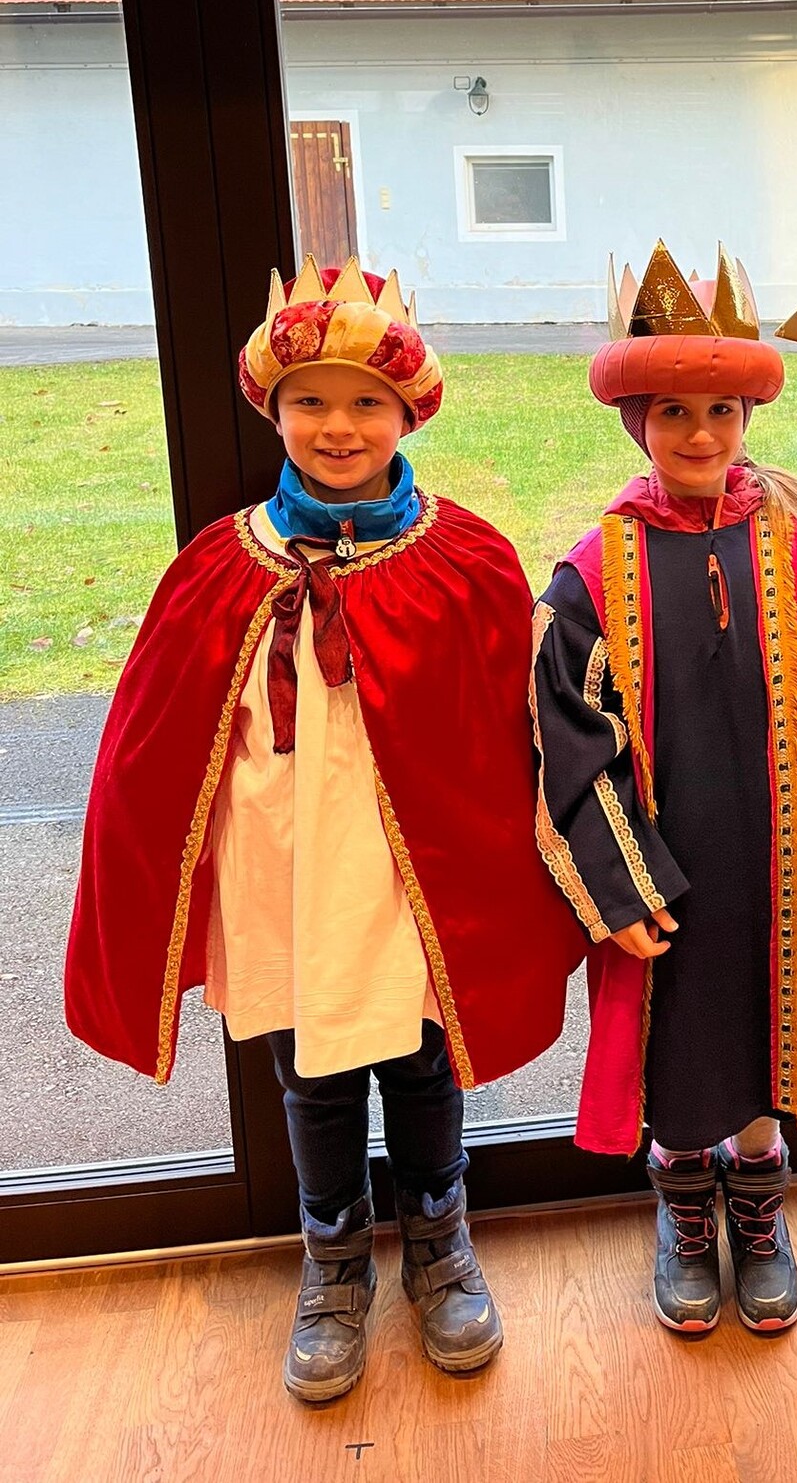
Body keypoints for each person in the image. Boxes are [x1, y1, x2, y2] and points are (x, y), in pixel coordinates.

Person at [65, 256, 583, 1402]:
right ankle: (334, 1261)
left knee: (423, 1058)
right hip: (285, 869)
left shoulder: (466, 559)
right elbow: (155, 742)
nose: (337, 426)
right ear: (273, 407)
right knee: (312, 1072)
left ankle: (440, 1245)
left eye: (365, 401)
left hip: (414, 877)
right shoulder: (220, 564)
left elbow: (521, 737)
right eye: (310, 399)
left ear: (409, 412)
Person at [531, 243, 797, 1334]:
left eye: (721, 413)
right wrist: (621, 887)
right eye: (675, 413)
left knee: (767, 1043)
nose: (700, 435)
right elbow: (568, 741)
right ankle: (686, 1211)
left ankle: (759, 1211)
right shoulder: (592, 576)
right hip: (664, 869)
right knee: (678, 1048)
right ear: (636, 420)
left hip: (777, 869)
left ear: (747, 417)